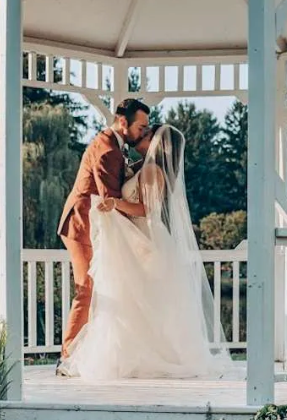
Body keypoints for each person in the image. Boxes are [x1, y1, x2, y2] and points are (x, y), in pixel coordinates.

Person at [58, 124, 235, 380]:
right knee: (137, 302)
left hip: (145, 241)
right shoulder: (146, 167)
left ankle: (147, 358)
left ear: (158, 144)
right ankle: (134, 355)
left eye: (149, 133)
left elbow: (147, 209)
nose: (144, 134)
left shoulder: (152, 171)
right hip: (136, 240)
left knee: (138, 300)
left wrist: (116, 203)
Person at [57, 98, 150, 364]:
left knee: (99, 288)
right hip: (81, 225)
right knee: (86, 288)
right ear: (123, 122)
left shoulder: (113, 145)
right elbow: (110, 198)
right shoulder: (108, 150)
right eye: (141, 127)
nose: (143, 132)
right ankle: (67, 357)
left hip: (92, 224)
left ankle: (90, 352)